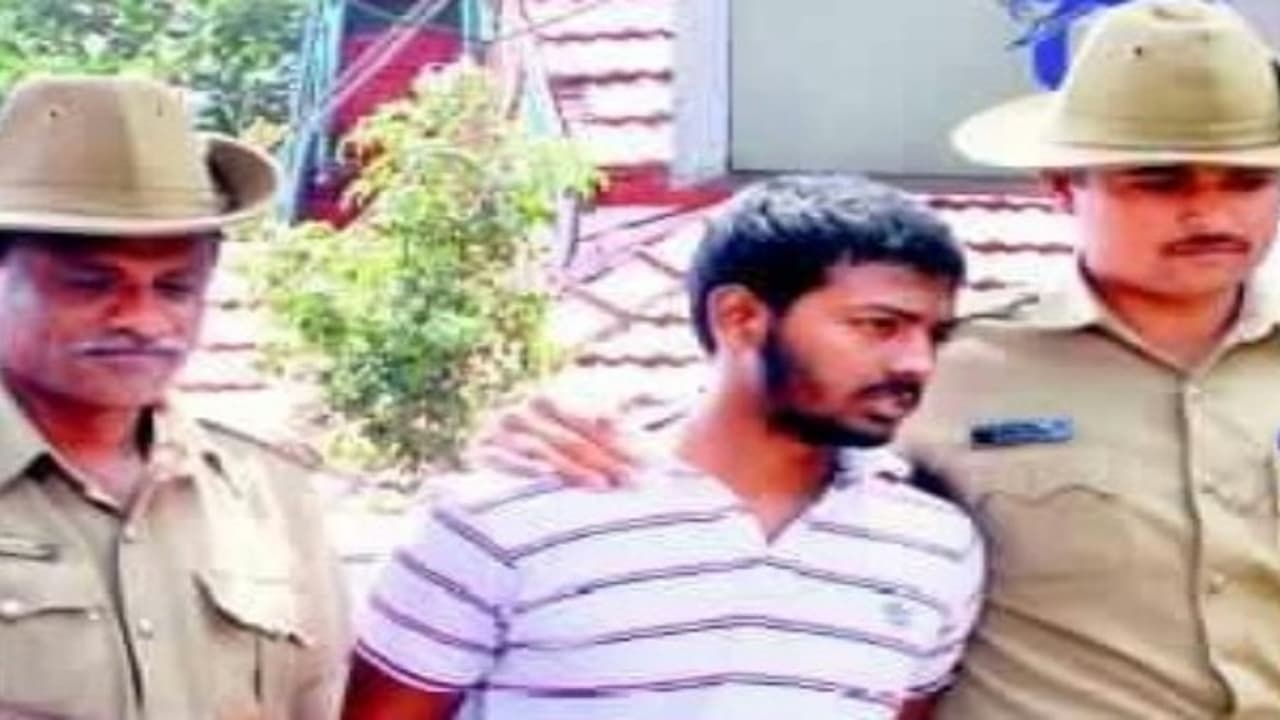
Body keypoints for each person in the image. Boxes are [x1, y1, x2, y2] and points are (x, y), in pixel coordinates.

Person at [470, 1, 1280, 717]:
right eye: (1158, 180)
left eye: (1247, 180)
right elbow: (730, 431)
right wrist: (558, 431)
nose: (1208, 210)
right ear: (1064, 186)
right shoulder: (947, 363)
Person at [342, 175, 986, 719]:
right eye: (879, 326)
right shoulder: (506, 520)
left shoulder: (935, 545)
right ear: (740, 318)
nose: (917, 362)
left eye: (935, 334)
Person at [0, 75, 349, 719]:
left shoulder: (267, 488)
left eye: (175, 287)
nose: (142, 319)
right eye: (90, 283)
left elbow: (318, 700)